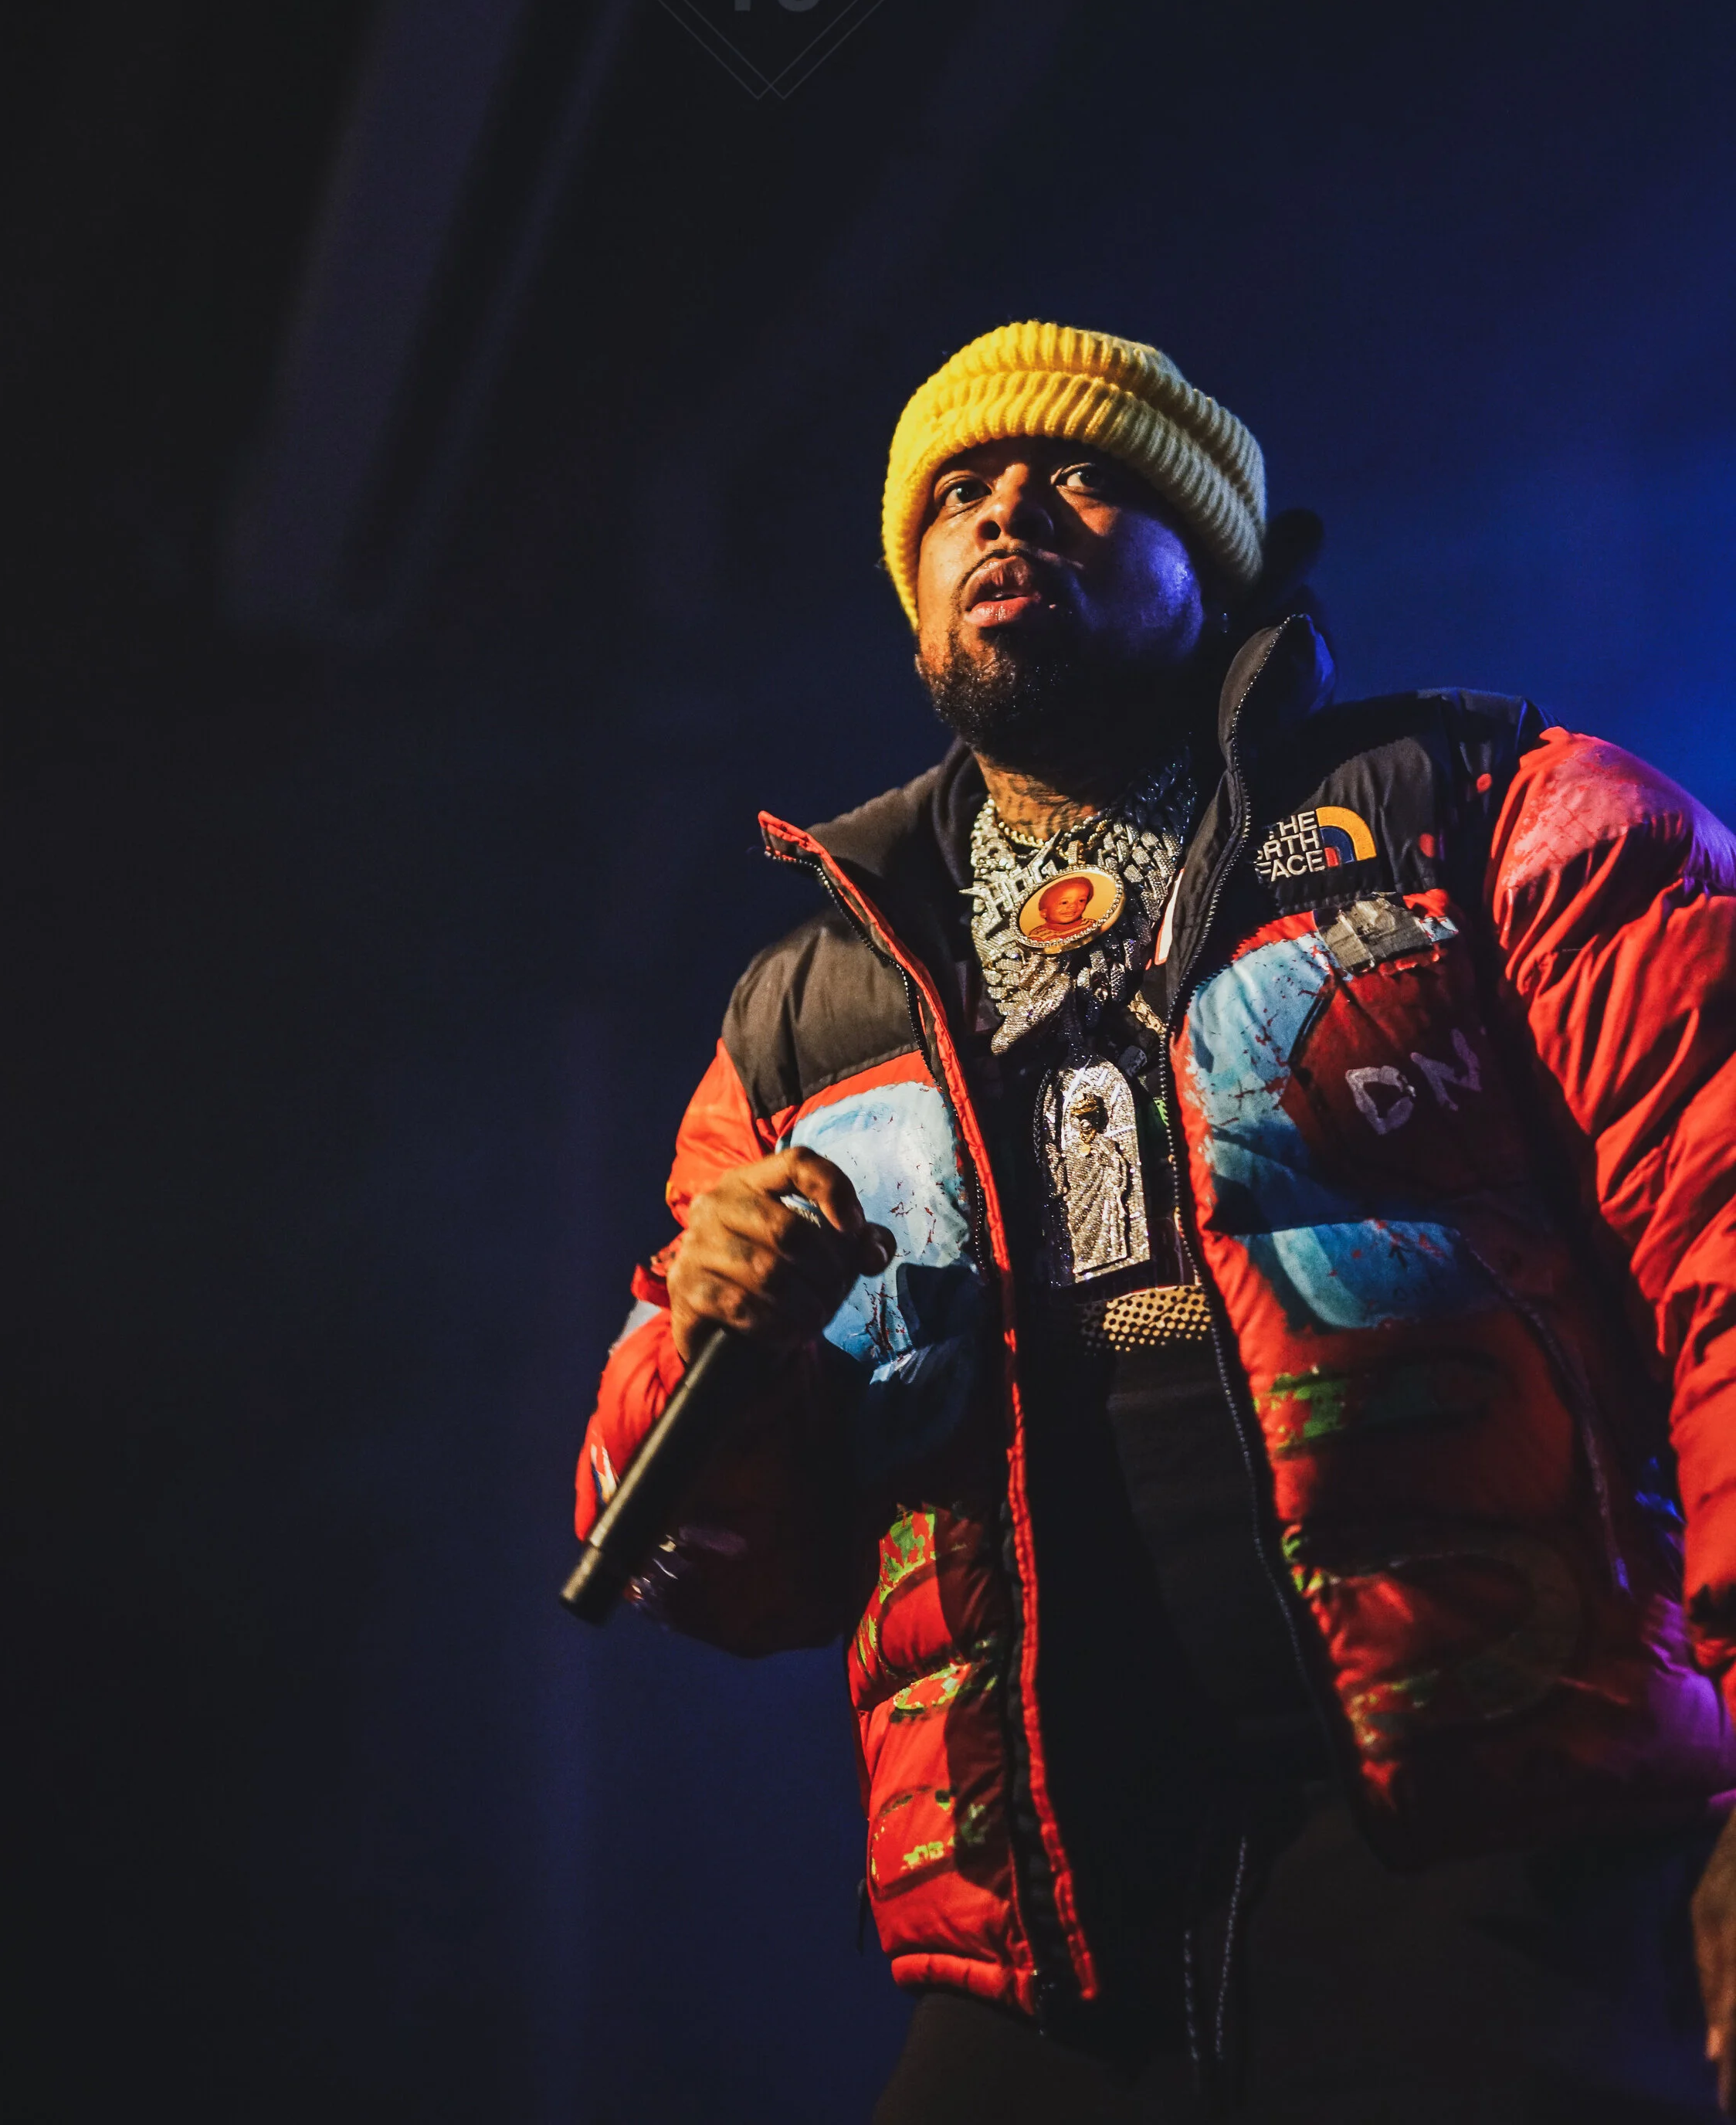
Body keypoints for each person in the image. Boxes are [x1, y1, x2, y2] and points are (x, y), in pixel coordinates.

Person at [573, 320, 1736, 2120]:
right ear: (913, 600)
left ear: (1218, 556)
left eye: (1087, 473)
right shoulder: (803, 1016)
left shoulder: (1492, 815)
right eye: (955, 490)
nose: (1010, 506)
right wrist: (707, 1350)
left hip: (1511, 1867)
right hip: (1050, 1944)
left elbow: (1725, 1245)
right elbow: (725, 1575)